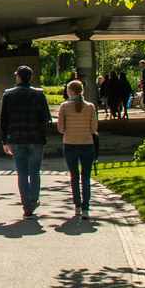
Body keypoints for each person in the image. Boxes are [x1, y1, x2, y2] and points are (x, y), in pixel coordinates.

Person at [0, 65, 51, 219]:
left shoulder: (8, 95)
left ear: (19, 77)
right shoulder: (39, 94)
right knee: (34, 171)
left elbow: (4, 120)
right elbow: (46, 117)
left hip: (16, 138)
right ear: (31, 78)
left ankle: (26, 206)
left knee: (21, 172)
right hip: (36, 138)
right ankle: (34, 200)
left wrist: (4, 140)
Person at [56, 78, 100, 218]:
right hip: (87, 144)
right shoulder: (90, 107)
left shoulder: (65, 107)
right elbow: (93, 129)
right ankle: (86, 206)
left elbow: (61, 129)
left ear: (70, 91)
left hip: (70, 143)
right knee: (86, 177)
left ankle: (77, 205)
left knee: (74, 176)